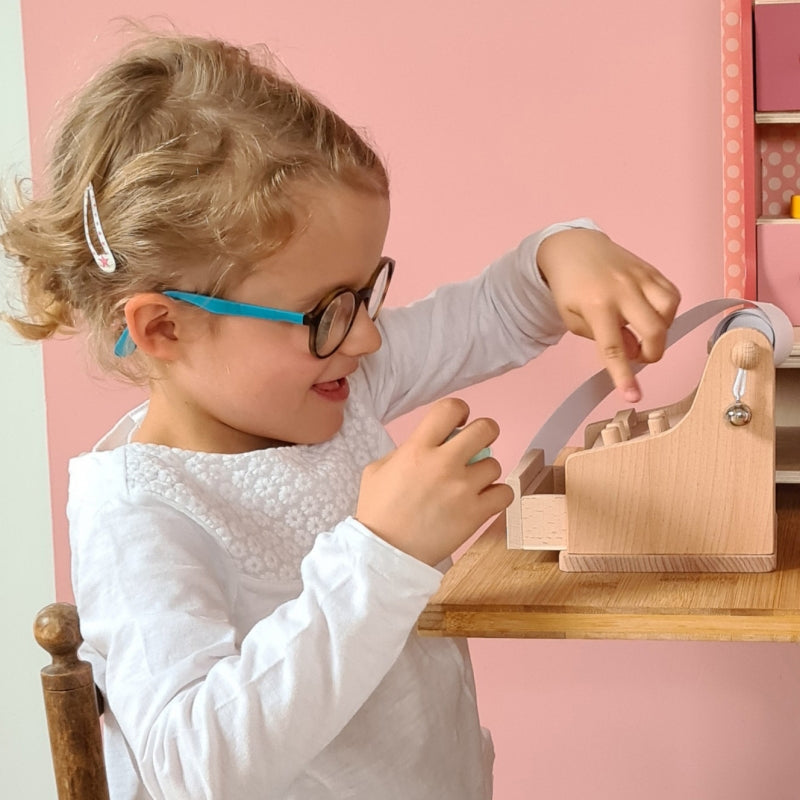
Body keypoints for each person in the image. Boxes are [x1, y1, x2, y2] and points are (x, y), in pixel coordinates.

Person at [2, 31, 680, 800]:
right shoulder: (140, 514)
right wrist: (380, 552)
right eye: (325, 310)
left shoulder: (336, 379)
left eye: (365, 293)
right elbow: (194, 769)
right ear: (165, 328)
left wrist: (561, 253)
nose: (364, 335)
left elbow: (493, 311)